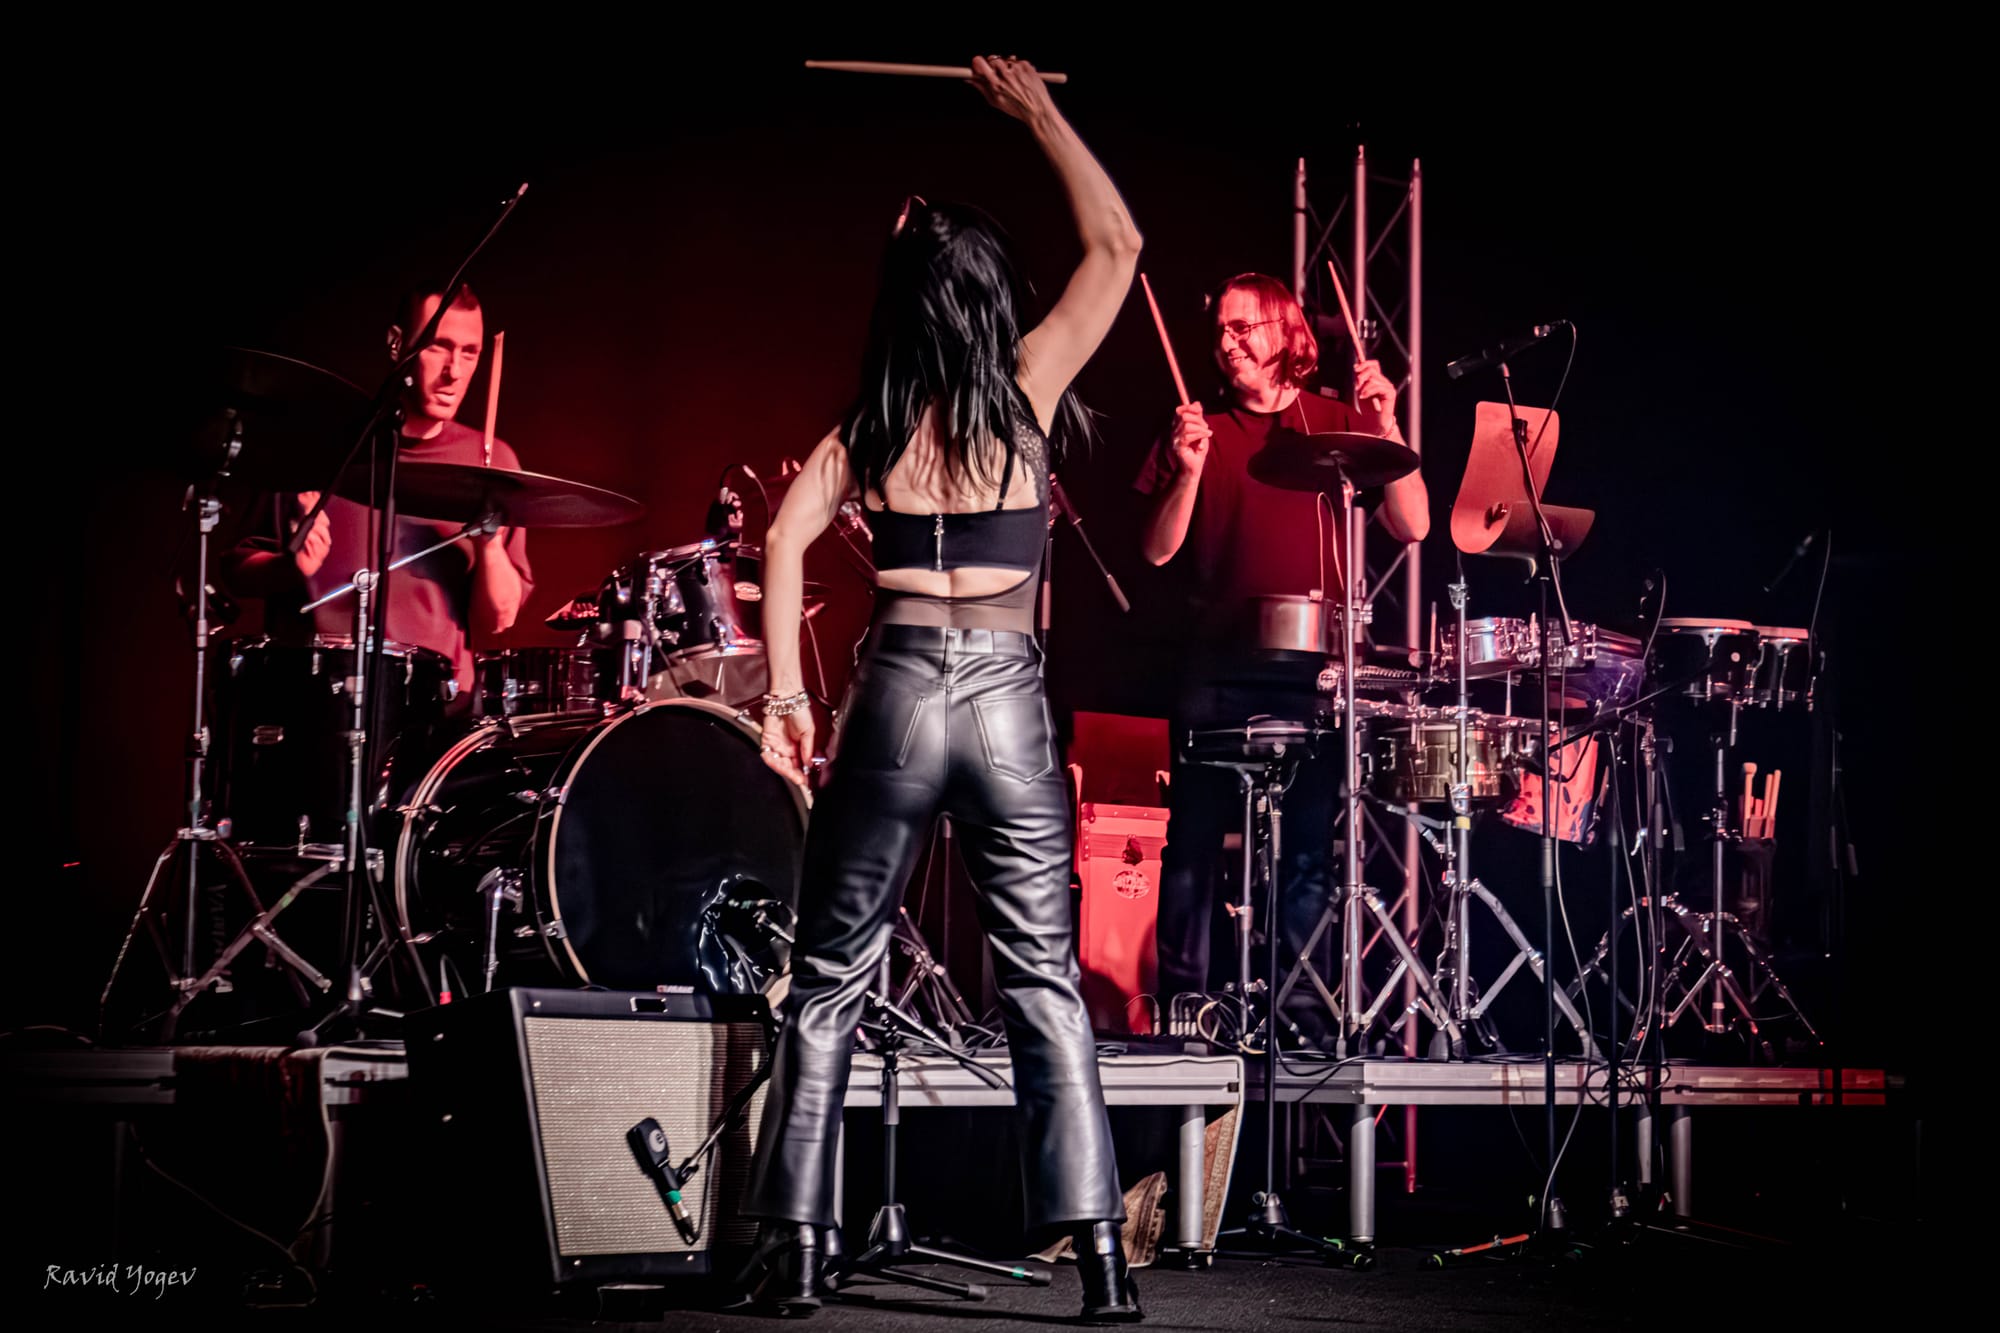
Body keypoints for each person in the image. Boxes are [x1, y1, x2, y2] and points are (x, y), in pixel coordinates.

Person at [738, 55, 1144, 1322]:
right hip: (1007, 699)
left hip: (898, 694)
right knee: (1041, 981)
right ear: (985, 295)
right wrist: (1039, 116)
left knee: (829, 976)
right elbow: (1118, 244)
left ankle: (797, 1253)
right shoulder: (1025, 391)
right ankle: (1101, 1264)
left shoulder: (870, 426)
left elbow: (782, 539)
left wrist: (787, 701)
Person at [1134, 273, 1429, 1039]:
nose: (1226, 341)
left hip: (1311, 669)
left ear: (1288, 332)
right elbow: (1157, 551)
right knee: (1191, 841)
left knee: (1307, 847)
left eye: (1244, 327)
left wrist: (1388, 422)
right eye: (1221, 330)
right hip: (1216, 662)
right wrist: (1187, 472)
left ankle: (1299, 1012)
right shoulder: (1198, 429)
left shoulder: (1334, 422)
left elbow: (1415, 525)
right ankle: (1184, 1011)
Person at [224, 284, 532, 699]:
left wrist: (490, 546)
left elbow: (499, 618)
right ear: (396, 344)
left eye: (469, 352)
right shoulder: (317, 449)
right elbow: (236, 570)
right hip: (315, 700)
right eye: (438, 347)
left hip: (435, 710)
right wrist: (288, 567)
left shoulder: (492, 461)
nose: (454, 372)